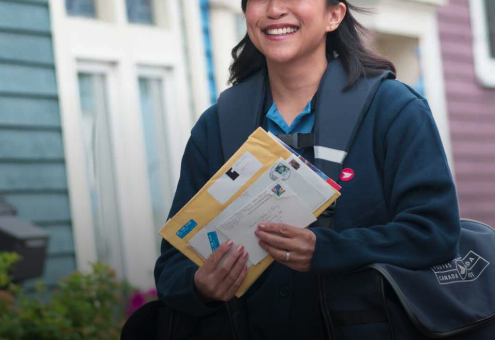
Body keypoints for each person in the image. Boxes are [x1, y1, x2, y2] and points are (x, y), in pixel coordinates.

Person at [151, 0, 461, 337]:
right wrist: (201, 286)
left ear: (334, 15)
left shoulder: (394, 110)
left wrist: (328, 249)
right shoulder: (216, 128)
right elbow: (172, 269)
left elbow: (435, 233)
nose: (274, 9)